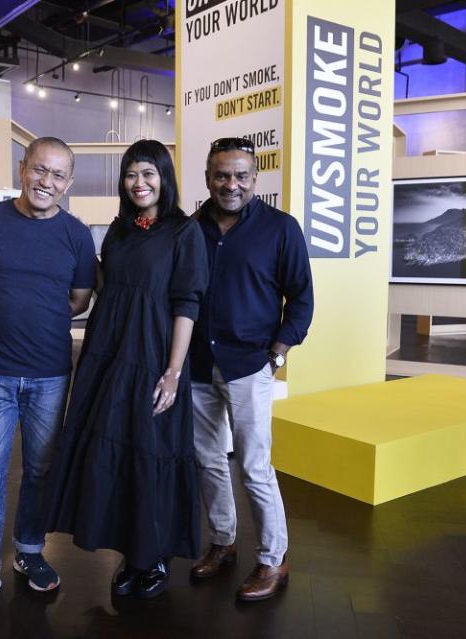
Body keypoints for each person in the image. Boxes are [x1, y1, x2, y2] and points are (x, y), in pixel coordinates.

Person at [45, 139, 208, 599]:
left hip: (154, 354)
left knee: (150, 449)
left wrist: (174, 371)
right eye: (132, 175)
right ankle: (128, 552)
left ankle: (152, 556)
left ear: (164, 179)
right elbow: (107, 283)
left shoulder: (183, 232)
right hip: (109, 350)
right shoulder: (119, 229)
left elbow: (187, 304)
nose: (140, 183)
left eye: (149, 174)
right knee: (115, 449)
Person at [0, 137, 96, 616]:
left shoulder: (76, 234)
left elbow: (79, 300)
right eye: (39, 170)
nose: (45, 182)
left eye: (57, 175)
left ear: (68, 183)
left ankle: (30, 552)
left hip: (51, 375)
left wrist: (38, 322)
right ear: (23, 167)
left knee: (40, 472)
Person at [189, 136, 314, 602]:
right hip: (198, 363)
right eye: (222, 175)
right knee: (207, 462)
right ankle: (223, 541)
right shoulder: (190, 227)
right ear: (207, 178)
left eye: (241, 175)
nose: (231, 184)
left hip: (249, 367)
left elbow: (301, 298)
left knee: (255, 467)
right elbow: (145, 230)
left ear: (255, 179)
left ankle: (273, 558)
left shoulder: (281, 228)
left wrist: (277, 354)